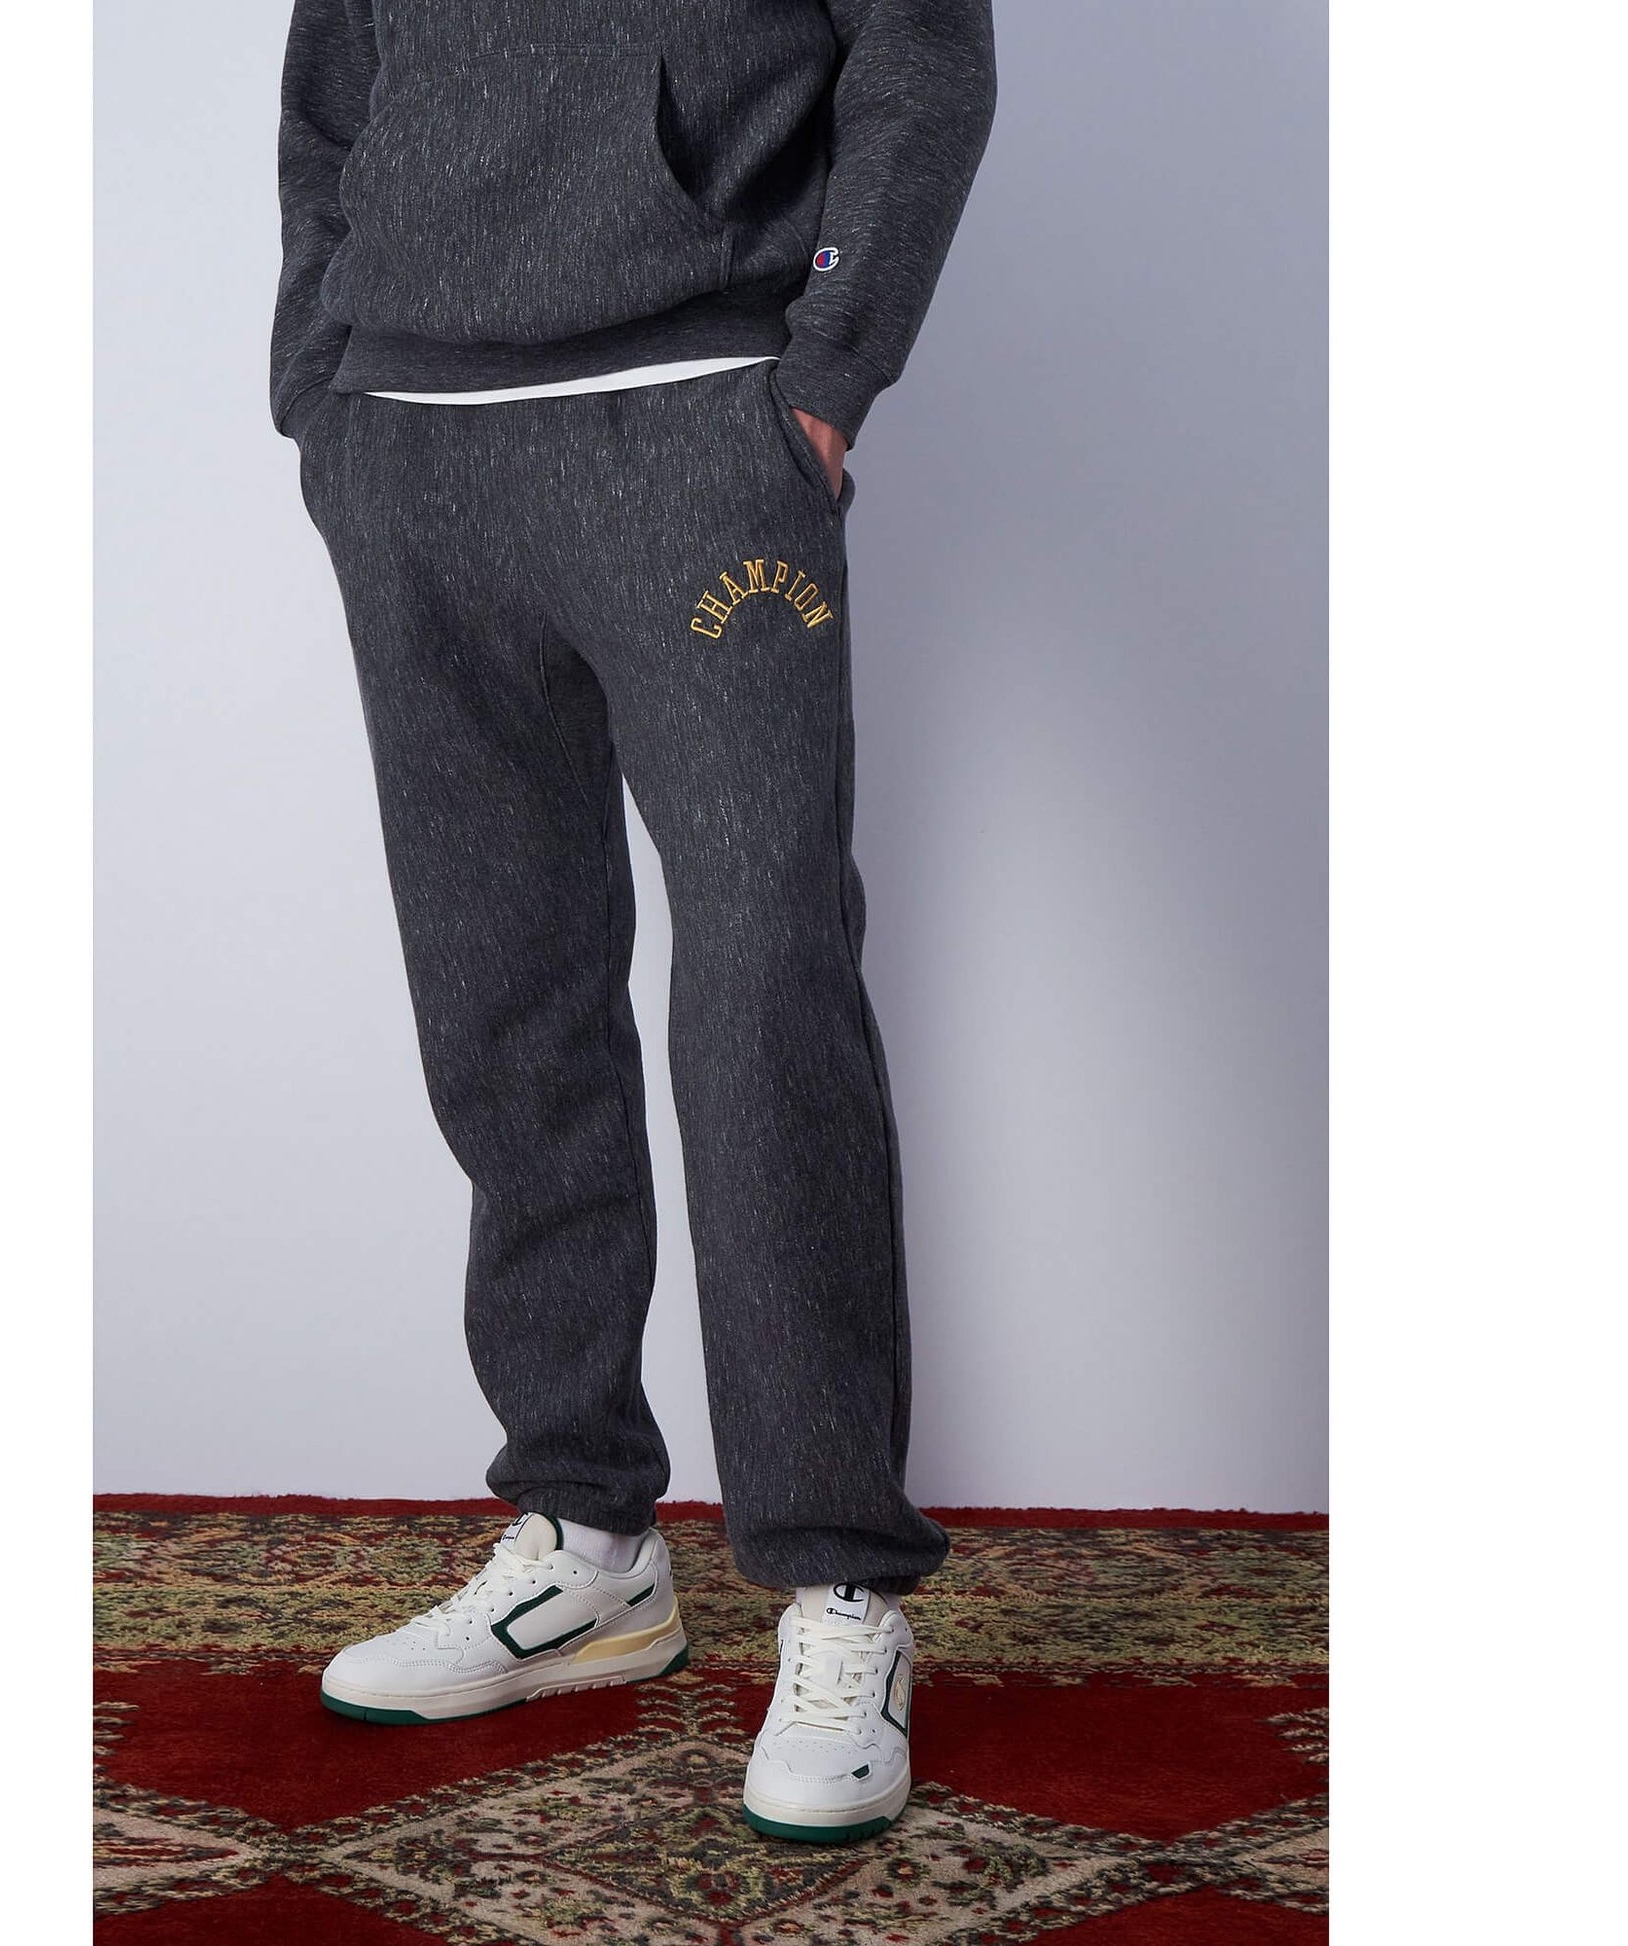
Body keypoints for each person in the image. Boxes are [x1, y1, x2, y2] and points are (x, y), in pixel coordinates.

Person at [272, 0, 995, 1844]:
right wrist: (320, 381)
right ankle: (587, 1539)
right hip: (413, 441)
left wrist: (828, 363)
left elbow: (919, 58)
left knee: (762, 993)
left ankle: (838, 1582)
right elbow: (335, 80)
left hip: (696, 423)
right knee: (499, 997)